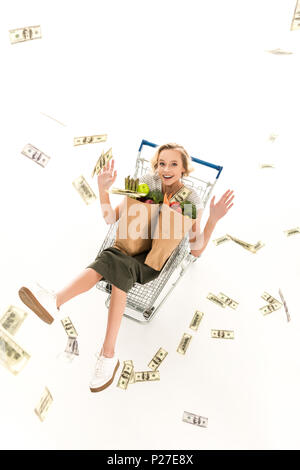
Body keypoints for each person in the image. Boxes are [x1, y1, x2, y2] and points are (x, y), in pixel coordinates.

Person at [18, 142, 234, 393]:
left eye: (174, 163)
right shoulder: (147, 187)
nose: (166, 168)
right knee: (114, 260)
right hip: (126, 250)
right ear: (156, 166)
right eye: (162, 163)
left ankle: (56, 302)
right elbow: (111, 219)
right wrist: (103, 191)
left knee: (113, 262)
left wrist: (213, 219)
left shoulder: (187, 201)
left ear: (184, 169)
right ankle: (107, 354)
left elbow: (196, 249)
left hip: (150, 263)